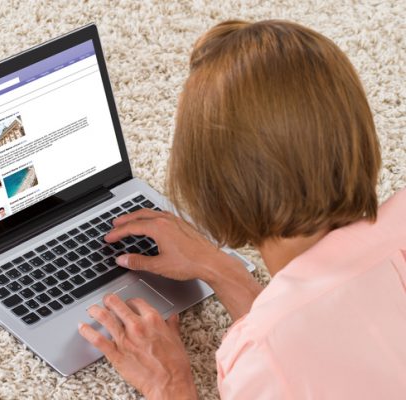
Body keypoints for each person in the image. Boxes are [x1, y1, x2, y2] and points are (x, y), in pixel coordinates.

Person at [78, 20, 406, 399]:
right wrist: (220, 268)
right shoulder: (270, 345)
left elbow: (291, 347)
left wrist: (170, 385)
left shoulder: (262, 358)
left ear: (215, 188)